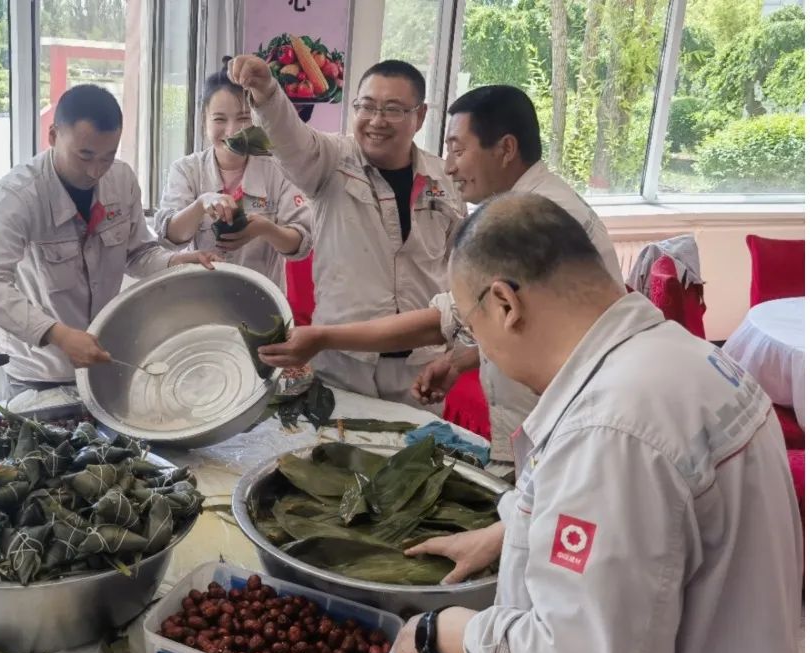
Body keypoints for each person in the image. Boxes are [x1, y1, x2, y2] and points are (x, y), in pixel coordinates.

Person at [392, 192, 802, 653]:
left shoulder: (607, 432)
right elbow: (657, 525)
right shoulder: (689, 357)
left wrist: (439, 631)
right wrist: (509, 533)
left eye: (470, 326)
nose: (479, 348)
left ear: (505, 304)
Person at [258, 85, 623, 456]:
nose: (450, 166)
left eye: (459, 150)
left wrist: (322, 337)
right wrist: (461, 359)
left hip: (560, 418)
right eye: (366, 107)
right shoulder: (333, 163)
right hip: (352, 367)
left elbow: (450, 316)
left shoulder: (532, 218)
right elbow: (522, 316)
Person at [228, 55, 465, 410]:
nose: (376, 121)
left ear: (420, 116)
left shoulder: (444, 179)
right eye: (366, 107)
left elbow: (458, 270)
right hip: (341, 362)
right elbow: (290, 140)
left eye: (393, 110)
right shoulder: (331, 161)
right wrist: (266, 91)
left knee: (416, 445)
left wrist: (455, 353)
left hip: (420, 366)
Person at [0, 84, 217, 399]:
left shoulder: (122, 180)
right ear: (53, 136)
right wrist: (56, 334)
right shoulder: (19, 194)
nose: (95, 170)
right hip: (39, 373)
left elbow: (137, 254)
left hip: (102, 363)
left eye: (108, 156)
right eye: (84, 155)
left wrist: (174, 262)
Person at [154, 59, 312, 292]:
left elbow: (301, 243)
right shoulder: (186, 170)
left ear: (257, 118)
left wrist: (265, 229)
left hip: (261, 298)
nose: (231, 131)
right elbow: (170, 237)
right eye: (219, 119)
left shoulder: (279, 170)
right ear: (204, 120)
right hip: (201, 296)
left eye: (243, 118)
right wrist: (200, 204)